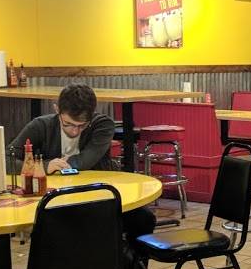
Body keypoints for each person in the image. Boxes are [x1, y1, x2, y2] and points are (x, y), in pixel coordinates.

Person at [9, 83, 156, 240]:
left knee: (144, 218)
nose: (74, 131)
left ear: (91, 115)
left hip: (98, 196)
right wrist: (44, 166)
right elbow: (7, 159)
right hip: (56, 201)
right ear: (57, 110)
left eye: (82, 126)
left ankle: (125, 256)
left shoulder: (102, 125)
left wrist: (62, 166)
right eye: (68, 124)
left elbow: (86, 160)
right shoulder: (41, 126)